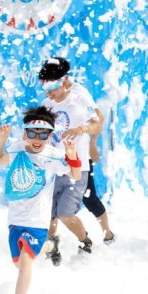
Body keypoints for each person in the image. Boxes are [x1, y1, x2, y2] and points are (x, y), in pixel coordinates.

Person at [0, 107, 82, 294]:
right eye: (32, 133)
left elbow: (75, 175)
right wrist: (2, 139)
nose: (37, 139)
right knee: (19, 264)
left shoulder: (52, 156)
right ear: (25, 134)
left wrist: (72, 154)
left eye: (43, 135)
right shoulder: (17, 148)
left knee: (26, 261)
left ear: (50, 136)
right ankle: (51, 245)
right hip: (16, 218)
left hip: (38, 220)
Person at [39, 58, 101, 263]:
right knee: (49, 213)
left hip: (77, 166)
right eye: (45, 86)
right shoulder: (46, 105)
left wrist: (82, 130)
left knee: (65, 213)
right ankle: (52, 248)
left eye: (52, 85)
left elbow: (96, 124)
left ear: (64, 80)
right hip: (52, 167)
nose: (49, 91)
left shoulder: (79, 98)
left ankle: (85, 241)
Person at [50, 57, 116, 245]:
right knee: (51, 204)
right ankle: (52, 242)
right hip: (61, 160)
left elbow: (98, 120)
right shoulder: (53, 98)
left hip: (80, 157)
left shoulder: (78, 93)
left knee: (90, 198)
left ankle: (107, 233)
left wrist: (92, 143)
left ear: (64, 78)